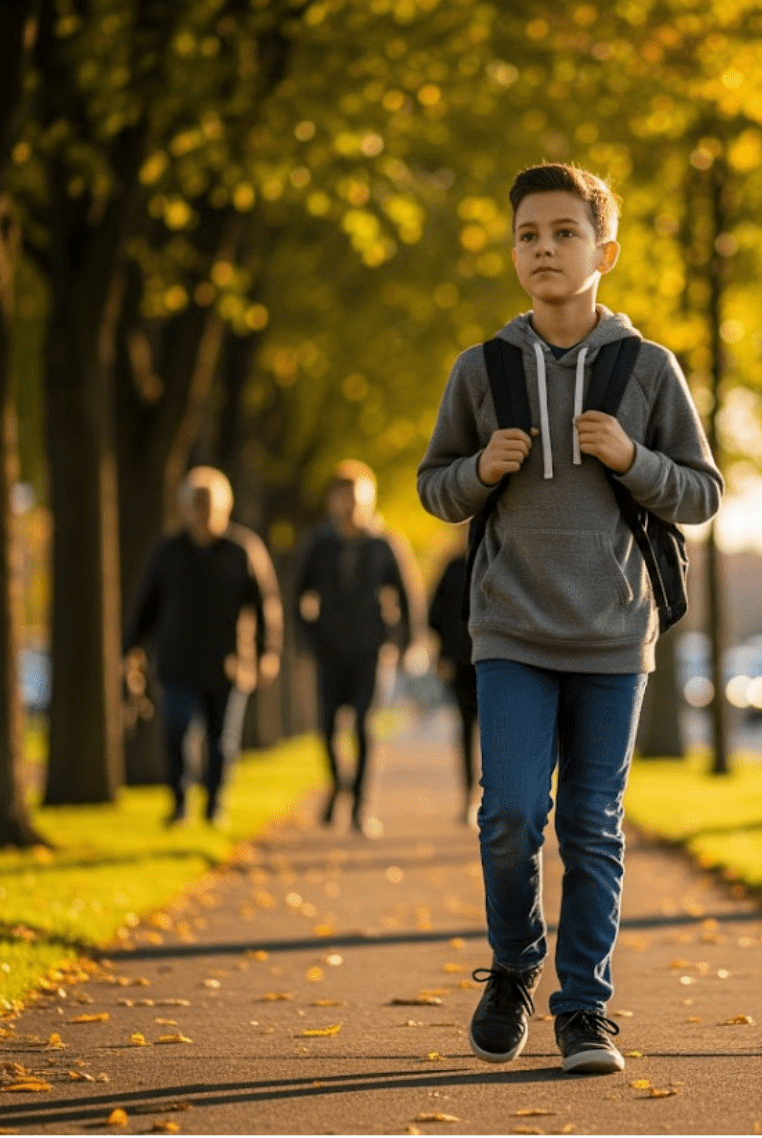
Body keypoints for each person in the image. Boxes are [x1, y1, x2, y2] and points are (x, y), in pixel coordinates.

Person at [417, 163, 722, 1075]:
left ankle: (584, 1010)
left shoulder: (647, 368)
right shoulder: (483, 368)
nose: (543, 248)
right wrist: (479, 473)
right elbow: (435, 487)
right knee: (508, 814)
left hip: (614, 635)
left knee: (593, 825)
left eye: (563, 233)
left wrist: (634, 458)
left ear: (605, 251)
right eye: (527, 235)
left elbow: (702, 493)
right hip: (510, 631)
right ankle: (514, 967)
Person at [123, 467, 282, 828]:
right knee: (177, 730)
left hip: (230, 664)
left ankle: (214, 804)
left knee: (221, 741)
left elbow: (265, 605)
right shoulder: (168, 551)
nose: (203, 511)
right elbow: (147, 603)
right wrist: (131, 646)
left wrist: (267, 653)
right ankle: (179, 803)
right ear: (184, 508)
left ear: (225, 507)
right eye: (196, 504)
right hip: (177, 660)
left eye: (210, 504)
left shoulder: (242, 550)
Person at [293, 460, 417, 837]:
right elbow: (298, 595)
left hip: (371, 651)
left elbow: (408, 598)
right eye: (343, 499)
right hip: (329, 651)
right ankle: (339, 785)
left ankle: (360, 809)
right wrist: (308, 639)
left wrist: (406, 643)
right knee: (327, 729)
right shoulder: (319, 545)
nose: (350, 507)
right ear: (331, 501)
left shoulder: (385, 544)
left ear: (369, 499)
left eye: (357, 499)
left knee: (363, 726)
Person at [425, 534, 479, 824]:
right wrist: (443, 655)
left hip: (497, 660)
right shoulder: (453, 567)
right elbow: (434, 615)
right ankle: (469, 795)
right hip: (460, 662)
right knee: (466, 729)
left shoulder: (501, 561)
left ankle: (494, 796)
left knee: (494, 734)